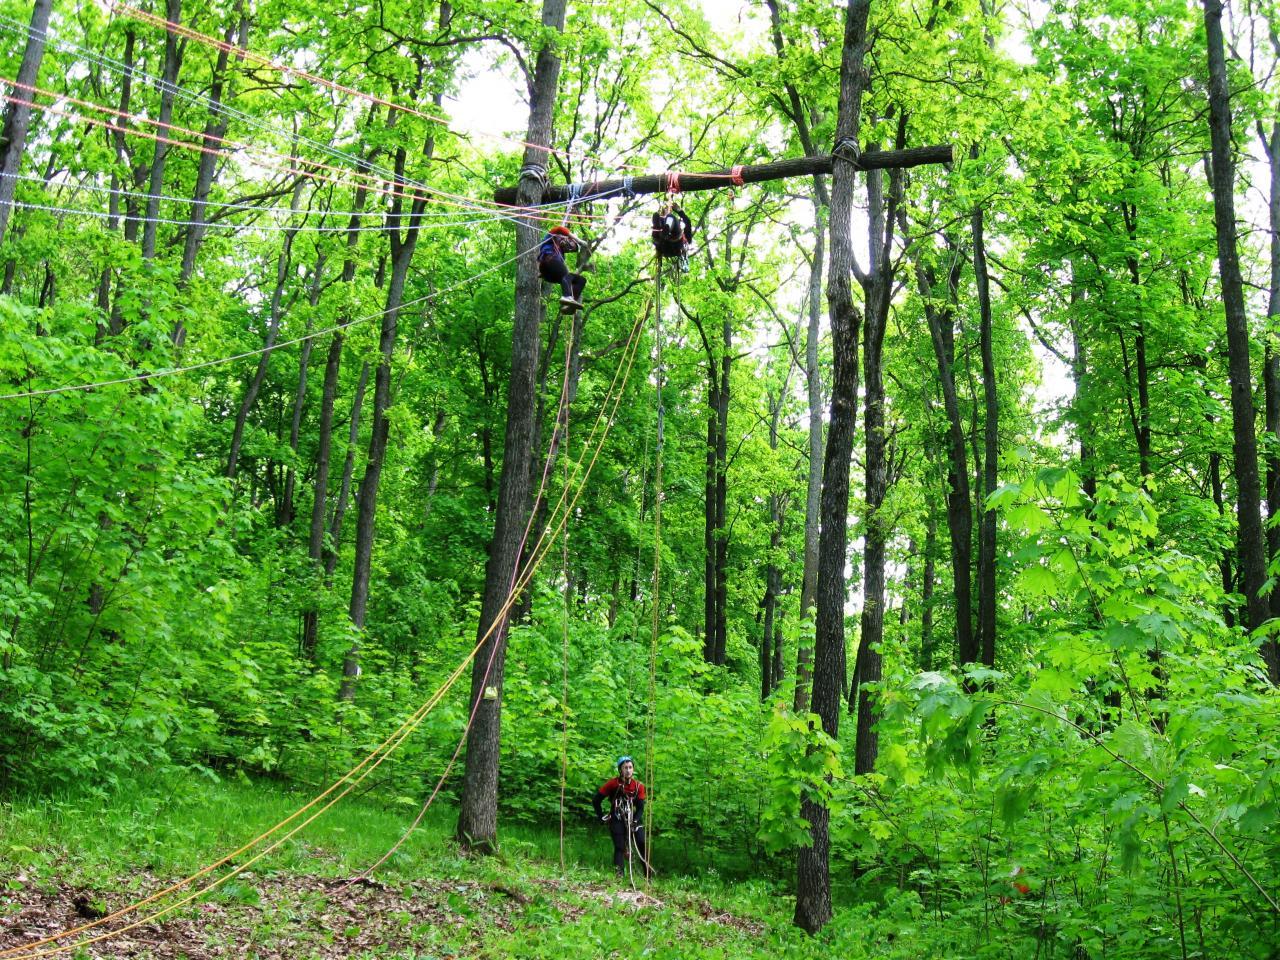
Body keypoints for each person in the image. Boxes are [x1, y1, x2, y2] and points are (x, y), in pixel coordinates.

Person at [592, 755, 649, 878]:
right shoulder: (612, 784)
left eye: (630, 767)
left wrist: (635, 820)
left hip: (633, 817)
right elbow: (596, 800)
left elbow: (640, 808)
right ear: (620, 770)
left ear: (633, 769)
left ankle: (648, 876)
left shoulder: (638, 786)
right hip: (617, 817)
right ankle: (619, 875)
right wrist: (601, 816)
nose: (628, 770)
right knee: (619, 846)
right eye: (625, 768)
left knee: (641, 843)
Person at [539, 224, 587, 312]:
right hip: (548, 262)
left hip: (551, 275)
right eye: (571, 245)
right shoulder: (552, 237)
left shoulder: (561, 256)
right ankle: (566, 296)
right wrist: (579, 241)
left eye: (572, 249)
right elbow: (560, 228)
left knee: (581, 280)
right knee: (566, 274)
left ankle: (571, 305)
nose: (570, 248)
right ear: (568, 239)